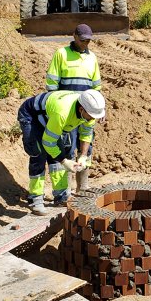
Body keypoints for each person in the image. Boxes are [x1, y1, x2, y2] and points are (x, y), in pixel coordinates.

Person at [17, 88, 106, 215]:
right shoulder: (62, 113)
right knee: (39, 154)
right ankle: (35, 199)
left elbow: (86, 133)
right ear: (81, 110)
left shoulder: (88, 111)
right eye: (91, 116)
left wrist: (83, 156)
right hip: (32, 116)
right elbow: (48, 142)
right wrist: (64, 162)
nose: (93, 119)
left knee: (59, 152)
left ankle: (61, 197)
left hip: (50, 117)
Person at [46, 23, 101, 194]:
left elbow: (96, 86)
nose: (86, 44)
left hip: (86, 111)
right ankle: (64, 192)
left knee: (86, 146)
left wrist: (97, 108)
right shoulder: (61, 54)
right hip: (68, 111)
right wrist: (55, 108)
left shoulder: (92, 57)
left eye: (88, 41)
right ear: (74, 36)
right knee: (67, 149)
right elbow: (52, 85)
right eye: (83, 40)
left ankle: (83, 188)